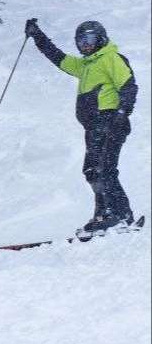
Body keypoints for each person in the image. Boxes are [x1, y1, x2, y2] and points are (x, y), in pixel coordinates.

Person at [25, 19, 138, 237]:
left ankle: (122, 216)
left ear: (101, 38)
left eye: (89, 40)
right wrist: (37, 35)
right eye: (80, 42)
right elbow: (58, 57)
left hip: (111, 122)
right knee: (92, 171)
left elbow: (129, 86)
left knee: (105, 170)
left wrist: (122, 114)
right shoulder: (86, 65)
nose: (85, 45)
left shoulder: (110, 58)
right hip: (94, 126)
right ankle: (104, 214)